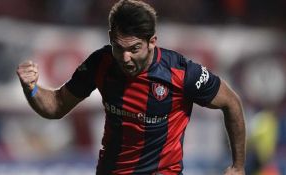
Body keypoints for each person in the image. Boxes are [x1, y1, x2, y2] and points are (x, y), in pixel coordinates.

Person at [16, 0, 246, 174]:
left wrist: (237, 166)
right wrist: (32, 88)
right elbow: (56, 106)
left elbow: (231, 103)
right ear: (110, 38)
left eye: (134, 49)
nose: (125, 57)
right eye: (118, 48)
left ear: (152, 42)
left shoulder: (182, 72)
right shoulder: (100, 63)